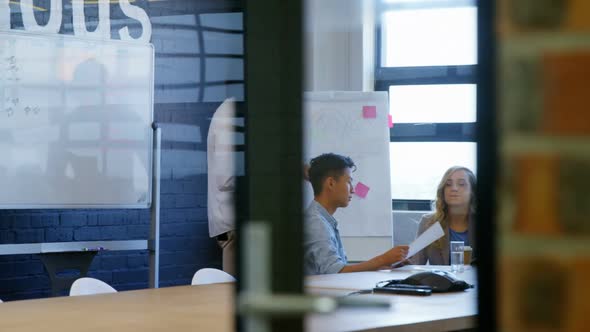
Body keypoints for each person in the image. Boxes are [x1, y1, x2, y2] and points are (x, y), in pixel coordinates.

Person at [304, 153, 409, 275]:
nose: (353, 190)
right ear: (331, 183)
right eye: (349, 182)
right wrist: (382, 259)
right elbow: (333, 272)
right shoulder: (315, 222)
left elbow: (339, 268)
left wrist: (383, 265)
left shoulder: (323, 220)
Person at [411, 166, 476, 265]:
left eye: (461, 184)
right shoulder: (429, 223)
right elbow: (415, 263)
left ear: (473, 192)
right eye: (448, 184)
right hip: (440, 280)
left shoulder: (485, 223)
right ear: (443, 190)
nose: (454, 188)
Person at [207, 98, 239, 276]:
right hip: (230, 226)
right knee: (231, 290)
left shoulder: (230, 111)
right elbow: (226, 177)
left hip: (226, 223)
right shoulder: (229, 113)